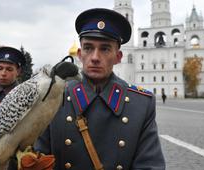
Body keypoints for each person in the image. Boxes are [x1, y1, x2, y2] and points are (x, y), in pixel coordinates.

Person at [31, 8, 165, 170]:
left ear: (118, 57)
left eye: (105, 49)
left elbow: (150, 165)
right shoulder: (53, 98)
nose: (95, 57)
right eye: (88, 48)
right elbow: (38, 156)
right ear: (80, 54)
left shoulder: (141, 105)